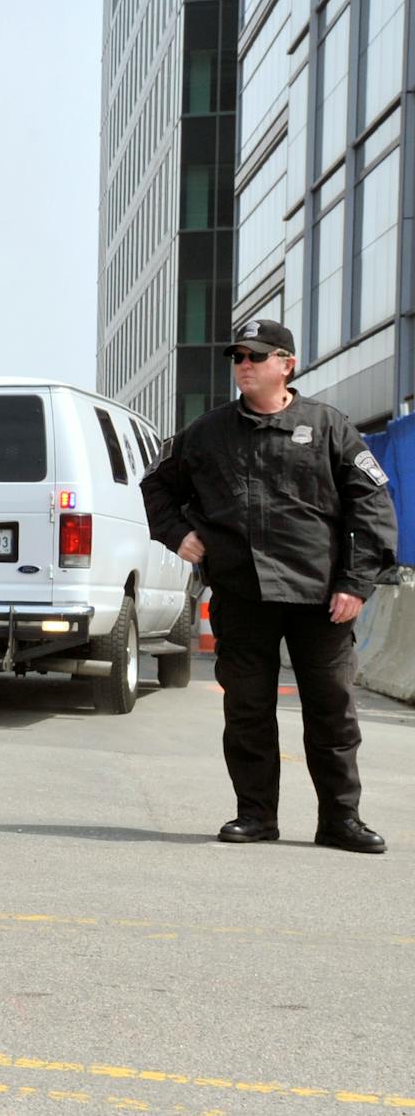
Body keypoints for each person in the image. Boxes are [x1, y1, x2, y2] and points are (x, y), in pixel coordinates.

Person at [141, 318, 400, 853]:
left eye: (256, 357)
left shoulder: (329, 427)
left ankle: (340, 821)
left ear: (287, 364)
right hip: (242, 595)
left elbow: (371, 505)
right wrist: (178, 534)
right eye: (238, 357)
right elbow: (156, 486)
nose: (244, 366)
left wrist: (355, 583)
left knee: (331, 713)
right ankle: (255, 817)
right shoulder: (207, 432)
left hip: (322, 599)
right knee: (248, 711)